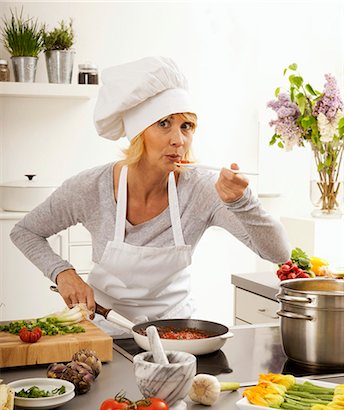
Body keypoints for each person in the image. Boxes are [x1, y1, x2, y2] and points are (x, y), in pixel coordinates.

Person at [10, 56, 290, 335]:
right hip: (106, 330)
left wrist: (243, 202)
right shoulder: (91, 187)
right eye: (164, 124)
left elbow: (278, 253)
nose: (178, 140)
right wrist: (63, 273)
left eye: (186, 126)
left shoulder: (203, 189)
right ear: (138, 133)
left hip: (177, 334)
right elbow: (25, 231)